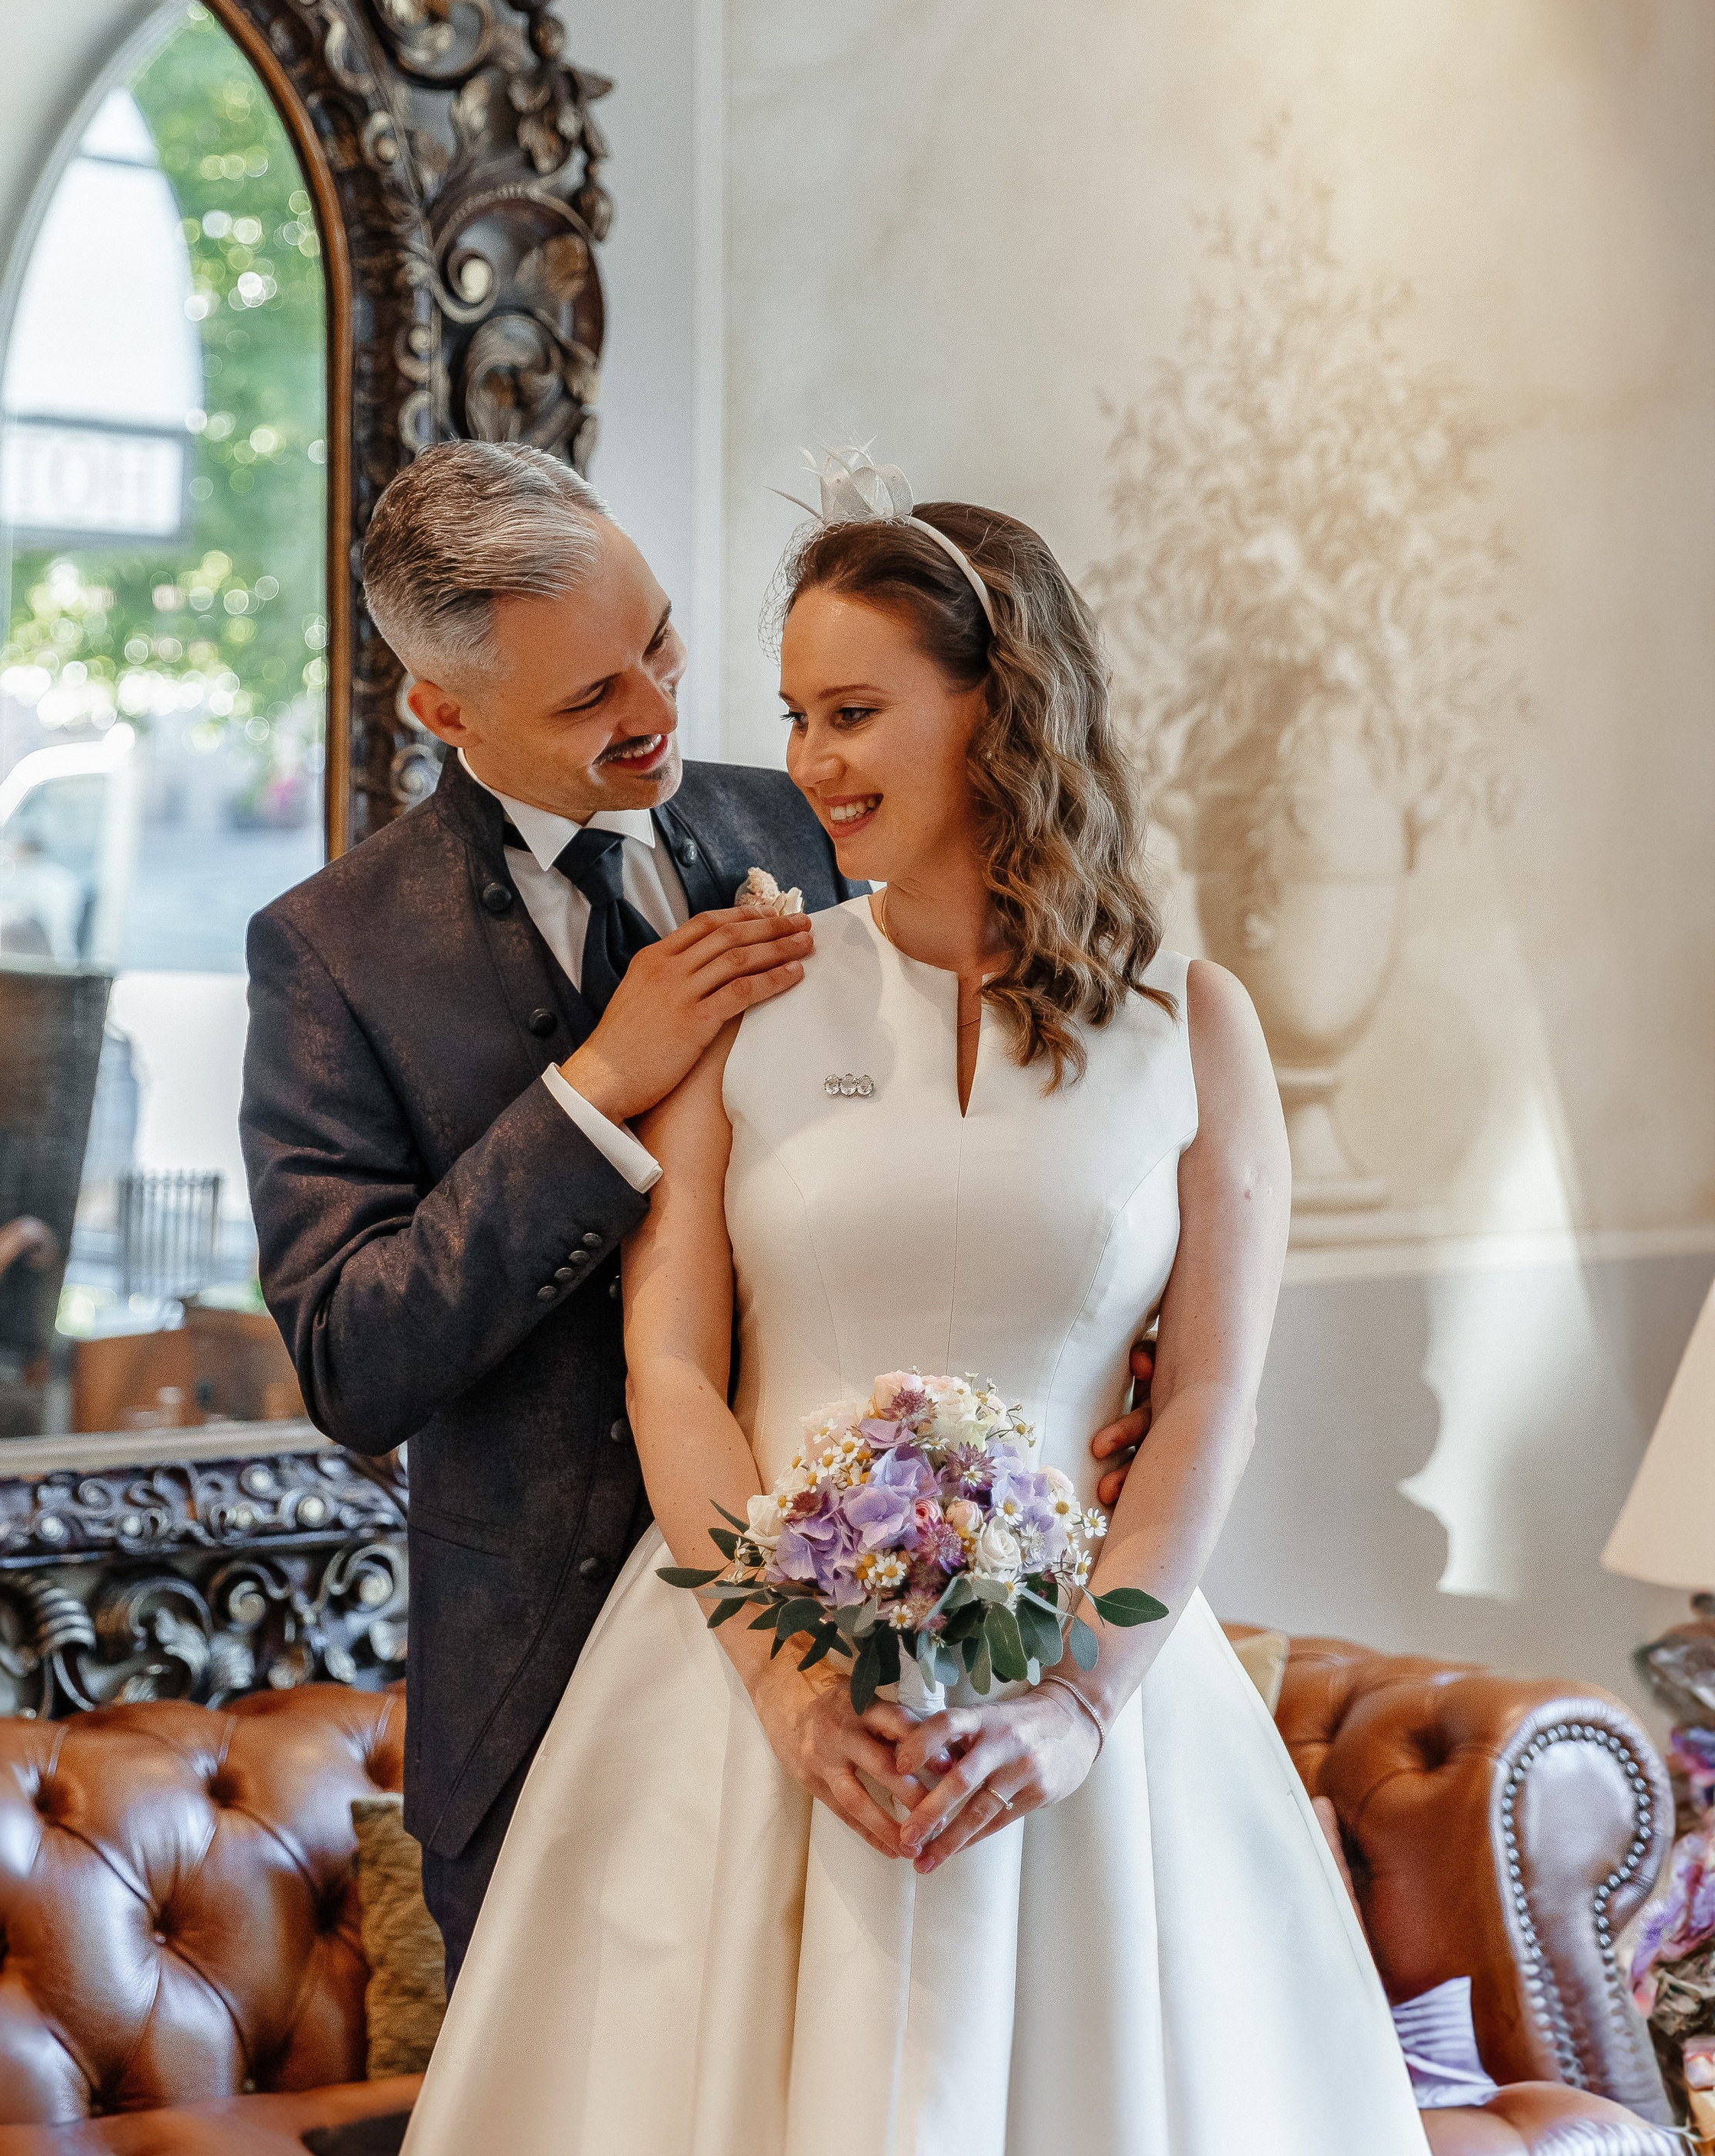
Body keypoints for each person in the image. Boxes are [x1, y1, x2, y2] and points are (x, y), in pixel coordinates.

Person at [404, 470, 1424, 2154]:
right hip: (746, 1710)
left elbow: (1207, 1400)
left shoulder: (1194, 1020)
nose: (806, 762)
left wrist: (1077, 1705)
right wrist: (783, 1687)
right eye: (797, 713)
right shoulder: (752, 992)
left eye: (855, 712)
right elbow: (671, 1367)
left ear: (998, 707)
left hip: (1086, 1723)